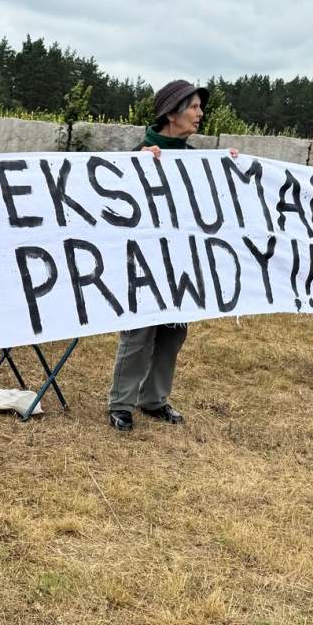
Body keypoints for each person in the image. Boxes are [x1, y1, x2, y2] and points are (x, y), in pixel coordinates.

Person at [106, 80, 204, 431]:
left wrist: (230, 168)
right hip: (144, 259)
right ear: (172, 113)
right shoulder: (140, 153)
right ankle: (122, 402)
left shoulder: (196, 159)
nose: (199, 114)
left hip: (181, 258)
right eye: (193, 107)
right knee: (139, 331)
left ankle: (154, 399)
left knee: (173, 331)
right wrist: (138, 167)